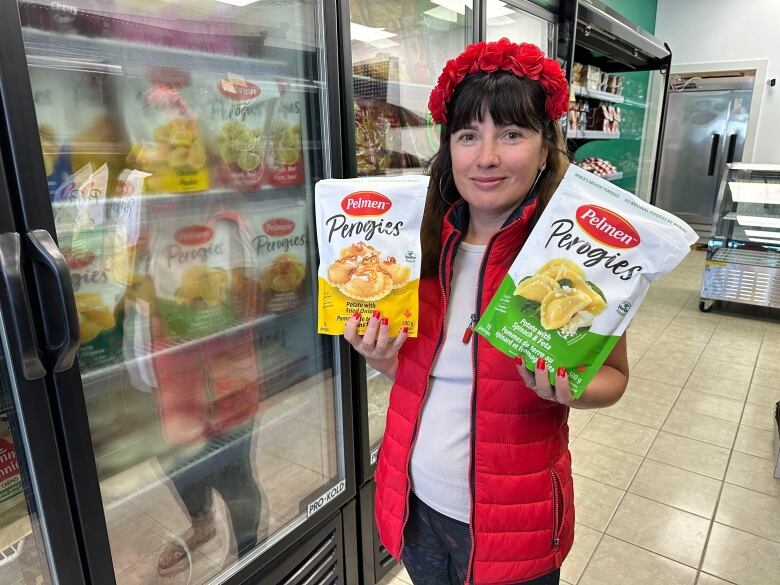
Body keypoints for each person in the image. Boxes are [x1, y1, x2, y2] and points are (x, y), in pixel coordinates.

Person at [344, 39, 629, 585]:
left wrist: (569, 388)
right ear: (449, 148)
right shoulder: (417, 248)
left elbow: (613, 378)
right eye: (468, 135)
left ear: (546, 148)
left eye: (512, 134)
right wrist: (376, 353)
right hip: (415, 506)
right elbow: (423, 376)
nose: (487, 155)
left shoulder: (574, 260)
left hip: (512, 529)